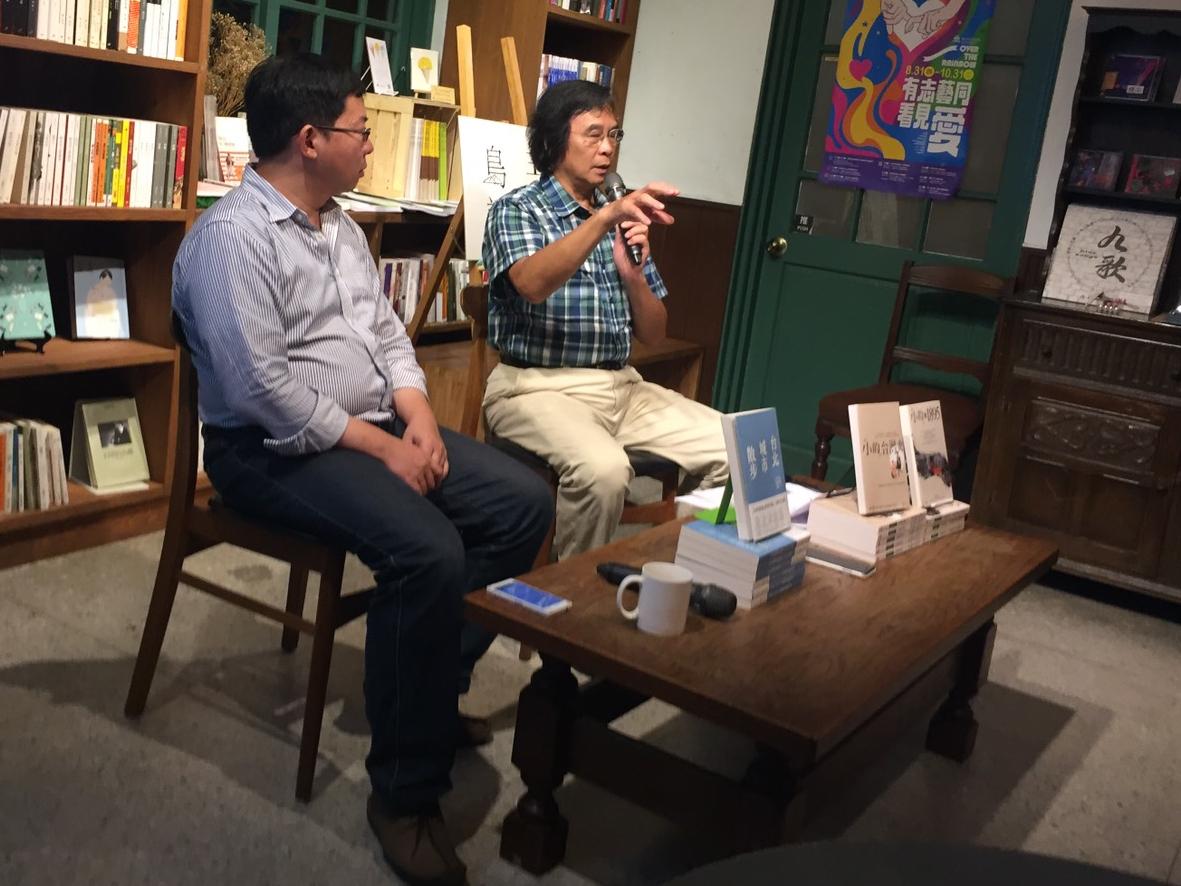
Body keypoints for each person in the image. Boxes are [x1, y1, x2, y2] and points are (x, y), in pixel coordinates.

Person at [172, 53, 552, 886]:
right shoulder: (233, 239)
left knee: (524, 502)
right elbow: (261, 392)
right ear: (310, 140)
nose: (371, 144)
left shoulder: (338, 226)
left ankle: (425, 690)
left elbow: (385, 335)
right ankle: (405, 797)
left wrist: (417, 417)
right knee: (426, 551)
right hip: (266, 453)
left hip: (370, 425)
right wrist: (384, 448)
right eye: (361, 128)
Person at [482, 79, 728, 560]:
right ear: (555, 141)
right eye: (593, 135)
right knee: (604, 471)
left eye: (614, 135)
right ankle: (572, 595)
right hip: (534, 388)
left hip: (622, 386)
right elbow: (531, 284)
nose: (607, 148)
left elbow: (653, 333)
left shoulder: (618, 219)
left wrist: (633, 276)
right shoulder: (518, 210)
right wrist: (602, 221)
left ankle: (678, 569)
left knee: (733, 446)